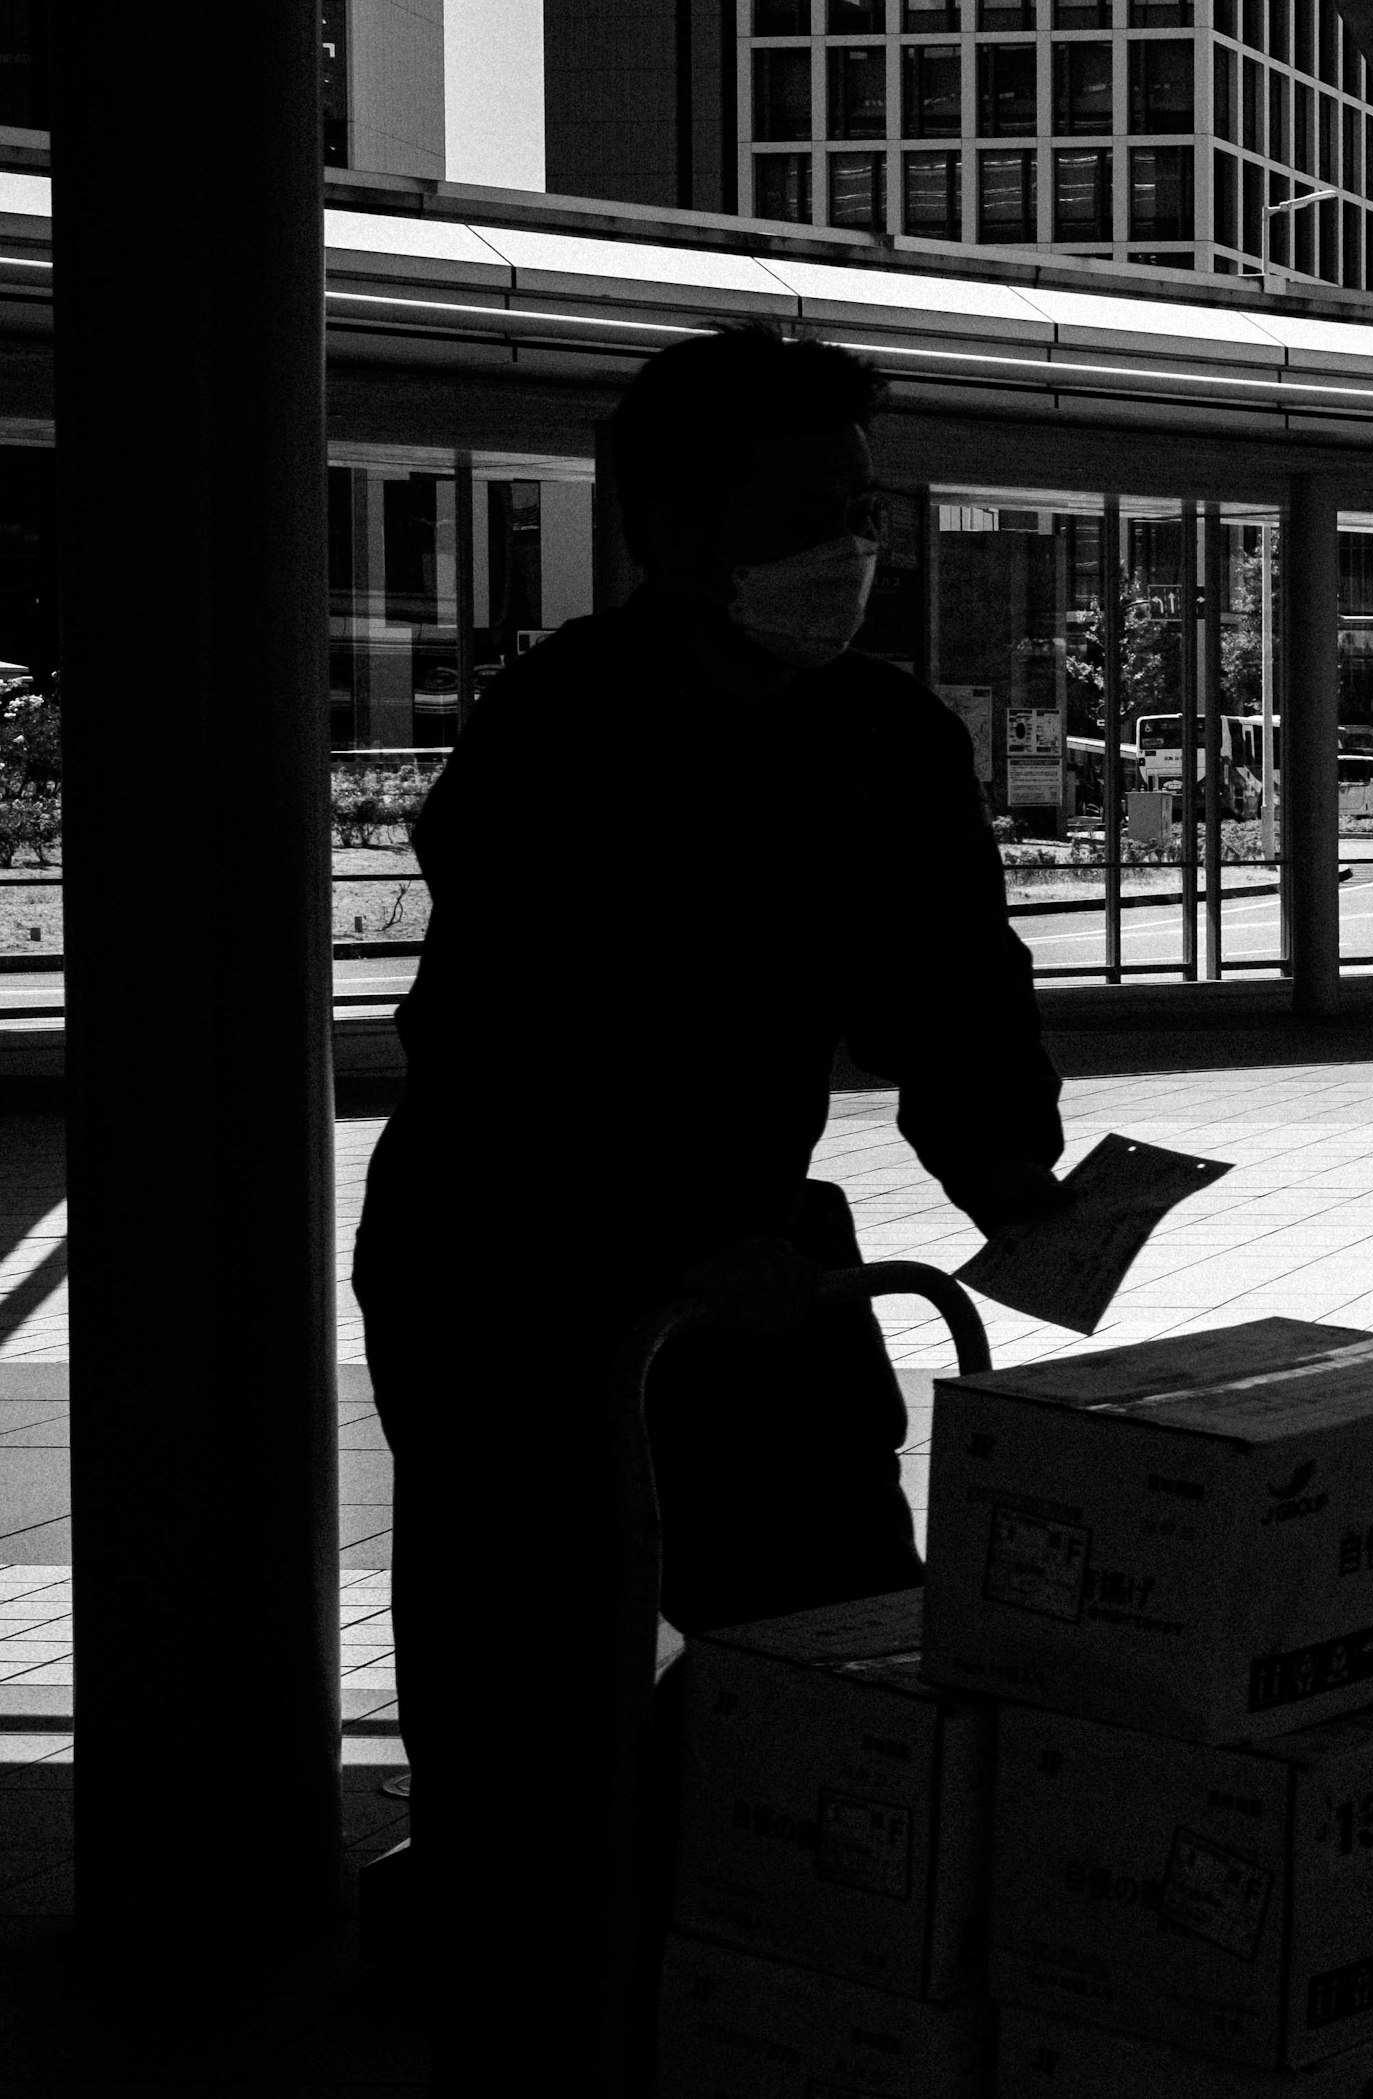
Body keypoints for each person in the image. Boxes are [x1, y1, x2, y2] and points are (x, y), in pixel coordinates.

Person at [352, 325, 1081, 2079]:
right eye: (808, 508)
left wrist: (1032, 1204)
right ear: (682, 525)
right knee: (523, 1655)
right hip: (512, 1246)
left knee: (839, 1624)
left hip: (735, 1251)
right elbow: (524, 1020)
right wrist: (684, 1226)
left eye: (864, 505)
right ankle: (520, 1955)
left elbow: (955, 997)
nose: (852, 546)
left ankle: (751, 1927)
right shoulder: (563, 721)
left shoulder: (884, 735)